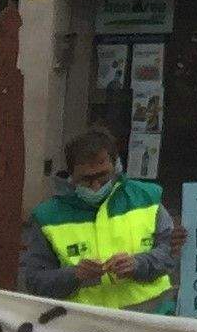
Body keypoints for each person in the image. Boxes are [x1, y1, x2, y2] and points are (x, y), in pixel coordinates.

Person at [21, 129, 181, 313]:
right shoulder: (46, 216)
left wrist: (137, 264)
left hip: (149, 318)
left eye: (103, 177)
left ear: (117, 167)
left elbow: (171, 253)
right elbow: (35, 281)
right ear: (71, 175)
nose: (96, 186)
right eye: (86, 179)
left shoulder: (146, 197)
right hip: (84, 323)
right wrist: (75, 275)